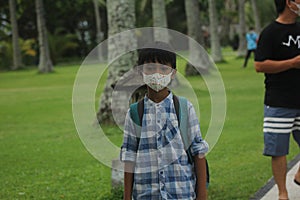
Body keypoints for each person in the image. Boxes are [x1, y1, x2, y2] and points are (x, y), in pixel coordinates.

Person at [120, 41, 209, 200]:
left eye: (163, 68)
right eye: (150, 68)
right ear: (140, 72)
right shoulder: (134, 113)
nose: (157, 73)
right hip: (145, 195)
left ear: (173, 73)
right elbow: (129, 157)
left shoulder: (184, 108)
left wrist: (202, 196)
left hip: (181, 193)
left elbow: (198, 152)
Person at [254, 0, 300, 199]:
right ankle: (282, 193)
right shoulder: (270, 32)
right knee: (278, 149)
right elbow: (259, 65)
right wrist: (292, 63)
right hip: (279, 101)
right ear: (289, 3)